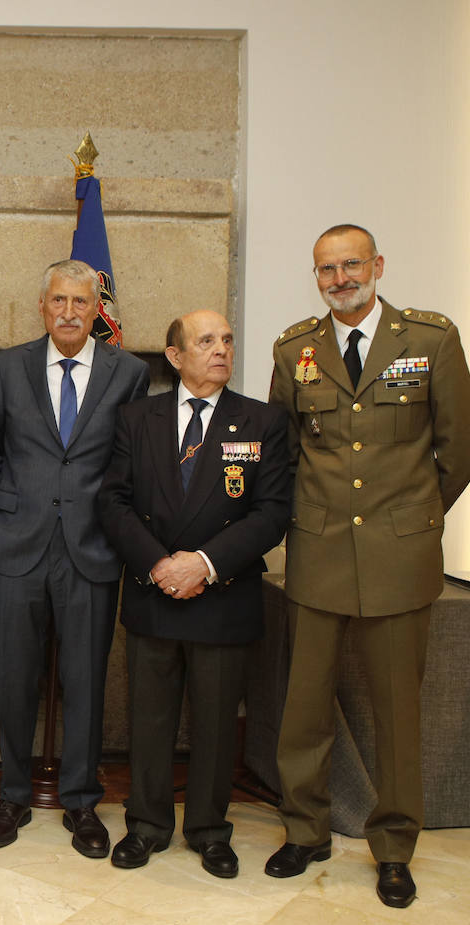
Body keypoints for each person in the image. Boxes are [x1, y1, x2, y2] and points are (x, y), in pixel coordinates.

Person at [265, 224, 470, 908]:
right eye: (326, 269)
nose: (339, 278)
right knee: (303, 708)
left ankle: (393, 846)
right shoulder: (294, 347)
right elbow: (285, 451)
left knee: (396, 710)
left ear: (378, 265)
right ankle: (306, 829)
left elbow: (462, 448)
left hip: (399, 559)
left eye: (351, 264)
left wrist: (411, 518)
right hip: (319, 551)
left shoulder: (430, 340)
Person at [96, 310, 291, 878]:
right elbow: (113, 501)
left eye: (228, 339)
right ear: (175, 356)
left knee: (213, 724)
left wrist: (203, 564)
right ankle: (148, 826)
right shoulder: (138, 418)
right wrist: (160, 563)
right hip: (155, 592)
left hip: (223, 598)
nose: (221, 350)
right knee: (149, 721)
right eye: (206, 341)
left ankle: (209, 831)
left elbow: (273, 513)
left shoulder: (261, 422)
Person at [0, 259, 149, 858]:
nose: (69, 313)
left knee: (85, 681)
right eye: (58, 301)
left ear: (97, 307)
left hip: (92, 547)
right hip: (16, 546)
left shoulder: (128, 372)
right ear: (43, 306)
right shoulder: (8, 366)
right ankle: (14, 796)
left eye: (81, 302)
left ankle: (80, 799)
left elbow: (130, 464)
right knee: (15, 678)